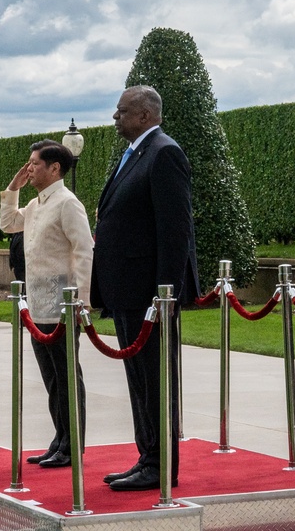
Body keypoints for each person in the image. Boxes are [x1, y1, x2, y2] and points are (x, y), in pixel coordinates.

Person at [91, 85, 200, 492]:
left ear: (144, 115)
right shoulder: (137, 152)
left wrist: (165, 295)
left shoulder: (164, 152)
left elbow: (175, 231)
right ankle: (147, 457)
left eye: (121, 112)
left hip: (149, 296)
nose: (114, 118)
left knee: (155, 381)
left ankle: (160, 464)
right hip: (127, 291)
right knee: (140, 381)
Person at [0, 141, 93, 468]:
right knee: (52, 378)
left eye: (35, 163)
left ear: (55, 168)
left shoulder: (67, 204)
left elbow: (84, 250)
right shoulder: (37, 204)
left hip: (62, 304)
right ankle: (60, 437)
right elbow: (8, 223)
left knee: (67, 375)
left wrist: (80, 301)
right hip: (37, 303)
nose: (29, 168)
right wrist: (13, 188)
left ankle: (73, 443)